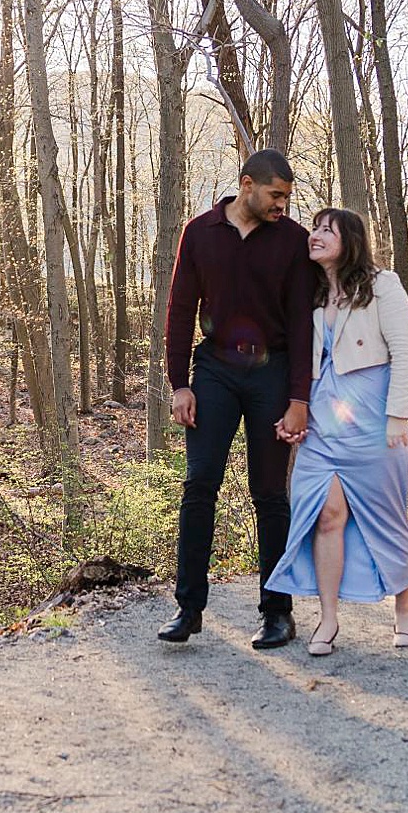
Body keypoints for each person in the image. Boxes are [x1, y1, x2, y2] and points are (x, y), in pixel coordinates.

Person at [157, 149, 315, 650]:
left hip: (273, 372)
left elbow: (302, 324)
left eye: (287, 198)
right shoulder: (200, 232)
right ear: (247, 184)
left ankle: (277, 613)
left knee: (269, 493)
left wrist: (299, 398)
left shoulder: (292, 241)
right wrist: (179, 383)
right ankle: (189, 608)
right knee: (199, 483)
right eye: (276, 195)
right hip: (216, 371)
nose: (282, 206)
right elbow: (180, 309)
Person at [267, 207, 408, 655]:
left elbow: (406, 351)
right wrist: (295, 414)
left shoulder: (381, 285)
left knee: (385, 518)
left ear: (348, 240)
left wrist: (399, 416)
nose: (314, 235)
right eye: (313, 228)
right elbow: (297, 363)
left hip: (374, 419)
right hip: (323, 422)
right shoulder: (309, 294)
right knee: (324, 515)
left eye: (325, 230)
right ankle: (328, 620)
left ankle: (405, 604)